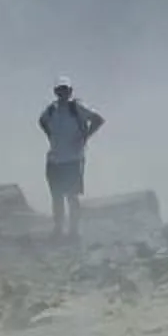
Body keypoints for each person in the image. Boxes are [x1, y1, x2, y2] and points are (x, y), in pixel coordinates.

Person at [39, 81, 104, 241]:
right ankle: (58, 230)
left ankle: (74, 231)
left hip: (72, 160)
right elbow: (41, 121)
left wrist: (85, 137)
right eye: (59, 90)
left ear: (70, 91)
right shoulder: (52, 110)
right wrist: (51, 137)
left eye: (65, 90)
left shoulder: (77, 108)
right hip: (55, 159)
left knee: (72, 196)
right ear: (56, 92)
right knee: (57, 197)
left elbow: (98, 119)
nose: (62, 93)